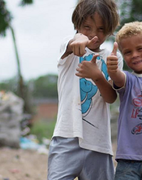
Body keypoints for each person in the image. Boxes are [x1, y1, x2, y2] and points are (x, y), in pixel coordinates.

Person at [47, 0, 123, 179]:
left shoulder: (112, 56)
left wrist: (98, 77)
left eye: (101, 29)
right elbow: (72, 43)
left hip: (98, 144)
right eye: (87, 27)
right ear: (77, 24)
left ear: (110, 30)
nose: (93, 35)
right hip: (66, 137)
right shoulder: (69, 50)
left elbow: (111, 98)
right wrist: (79, 38)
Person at [107, 21, 142, 180]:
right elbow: (118, 78)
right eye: (128, 52)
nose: (134, 54)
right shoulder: (130, 81)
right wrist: (113, 70)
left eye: (140, 49)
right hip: (129, 160)